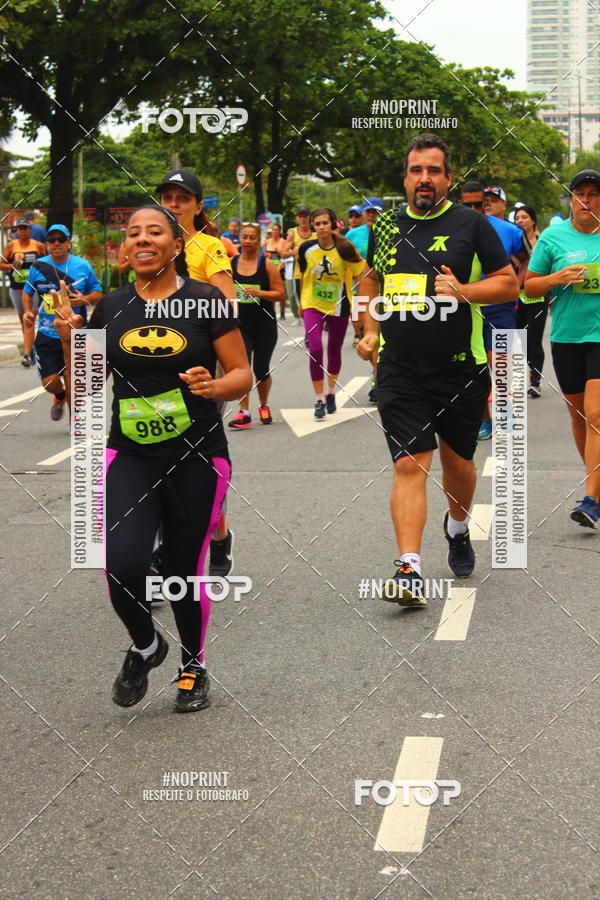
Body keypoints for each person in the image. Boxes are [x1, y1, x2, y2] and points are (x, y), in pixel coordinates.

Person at [55, 206, 252, 711]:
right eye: (134, 234)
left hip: (197, 455)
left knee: (183, 570)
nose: (143, 240)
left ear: (175, 244)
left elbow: (240, 374)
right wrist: (70, 341)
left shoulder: (206, 301)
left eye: (155, 232)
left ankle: (192, 667)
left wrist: (215, 385)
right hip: (131, 455)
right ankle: (147, 644)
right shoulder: (111, 308)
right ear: (125, 250)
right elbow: (84, 390)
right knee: (121, 564)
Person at [358, 133, 519, 605]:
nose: (423, 178)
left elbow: (510, 284)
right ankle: (409, 570)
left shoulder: (473, 223)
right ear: (405, 178)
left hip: (458, 368)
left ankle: (458, 526)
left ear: (448, 178)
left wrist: (464, 292)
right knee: (410, 464)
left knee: (458, 465)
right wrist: (368, 326)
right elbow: (371, 278)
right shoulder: (385, 227)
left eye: (433, 170)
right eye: (415, 170)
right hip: (399, 368)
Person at [157, 169, 237, 574]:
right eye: (167, 198)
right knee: (154, 456)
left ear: (197, 206)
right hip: (153, 368)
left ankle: (218, 534)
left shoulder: (210, 248)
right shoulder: (150, 248)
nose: (173, 205)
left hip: (200, 371)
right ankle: (161, 551)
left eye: (181, 199)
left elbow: (228, 306)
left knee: (197, 461)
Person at [525, 169, 600, 528]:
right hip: (566, 336)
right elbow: (529, 288)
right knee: (579, 417)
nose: (586, 200)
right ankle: (597, 483)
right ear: (571, 199)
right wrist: (556, 278)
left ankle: (591, 497)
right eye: (579, 193)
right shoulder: (553, 237)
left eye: (594, 193)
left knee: (596, 413)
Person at [22, 225, 102, 421]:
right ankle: (59, 396)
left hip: (76, 332)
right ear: (47, 244)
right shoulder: (38, 266)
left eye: (61, 239)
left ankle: (75, 419)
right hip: (47, 333)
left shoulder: (82, 266)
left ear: (68, 243)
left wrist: (82, 300)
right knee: (50, 383)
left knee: (72, 377)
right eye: (52, 240)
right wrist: (27, 313)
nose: (56, 243)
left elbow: (98, 293)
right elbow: (27, 292)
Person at [298, 207, 364, 418]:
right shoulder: (306, 249)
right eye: (317, 224)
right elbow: (303, 276)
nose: (321, 227)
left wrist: (362, 306)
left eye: (325, 223)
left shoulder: (344, 248)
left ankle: (330, 391)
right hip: (312, 304)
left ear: (333, 224)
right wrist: (301, 302)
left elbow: (362, 274)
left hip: (339, 306)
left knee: (334, 351)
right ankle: (318, 398)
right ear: (312, 226)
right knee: (316, 349)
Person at [476, 185, 528, 440]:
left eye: (494, 200)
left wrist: (518, 282)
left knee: (499, 362)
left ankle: (506, 411)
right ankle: (484, 419)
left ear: (503, 205)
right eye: (484, 200)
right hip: (470, 305)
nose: (488, 204)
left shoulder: (511, 230)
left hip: (501, 306)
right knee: (476, 367)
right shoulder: (462, 226)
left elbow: (526, 257)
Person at [229, 223, 285, 427]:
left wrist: (260, 293)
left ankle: (264, 405)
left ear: (258, 240)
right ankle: (243, 411)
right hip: (240, 325)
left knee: (261, 369)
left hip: (264, 326)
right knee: (242, 368)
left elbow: (280, 294)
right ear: (240, 239)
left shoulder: (266, 264)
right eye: (244, 237)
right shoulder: (231, 263)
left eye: (252, 237)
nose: (247, 241)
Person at [347, 197, 384, 400]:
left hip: (383, 294)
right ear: (363, 214)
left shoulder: (389, 232)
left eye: (376, 212)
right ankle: (376, 371)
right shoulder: (353, 235)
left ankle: (378, 380)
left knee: (379, 336)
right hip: (357, 292)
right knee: (364, 336)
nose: (372, 215)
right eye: (369, 212)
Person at [514, 205, 548, 397]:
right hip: (517, 296)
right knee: (520, 339)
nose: (520, 220)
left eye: (524, 217)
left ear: (533, 220)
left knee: (534, 338)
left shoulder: (542, 240)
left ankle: (535, 380)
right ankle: (526, 371)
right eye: (517, 217)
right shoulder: (513, 242)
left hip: (537, 296)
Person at [0, 219, 45, 366]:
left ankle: (28, 354)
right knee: (23, 319)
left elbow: (46, 263)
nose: (23, 231)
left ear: (30, 230)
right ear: (16, 231)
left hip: (33, 288)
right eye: (20, 228)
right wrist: (13, 265)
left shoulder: (37, 245)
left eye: (25, 228)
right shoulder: (11, 245)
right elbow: (1, 264)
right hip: (16, 288)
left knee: (30, 318)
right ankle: (30, 348)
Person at [285, 205, 315, 343]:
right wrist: (295, 251)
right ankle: (309, 333)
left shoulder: (316, 232)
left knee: (316, 305)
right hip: (300, 275)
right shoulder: (293, 234)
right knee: (303, 305)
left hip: (317, 276)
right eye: (300, 216)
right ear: (297, 218)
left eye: (305, 215)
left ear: (310, 217)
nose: (303, 219)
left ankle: (313, 331)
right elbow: (283, 253)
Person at [264, 222, 291, 319]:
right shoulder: (267, 242)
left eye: (276, 229)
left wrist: (279, 267)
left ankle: (282, 312)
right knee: (270, 291)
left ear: (280, 231)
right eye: (273, 229)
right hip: (269, 269)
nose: (275, 231)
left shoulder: (283, 242)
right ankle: (272, 311)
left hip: (281, 269)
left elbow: (285, 257)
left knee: (281, 292)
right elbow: (263, 255)